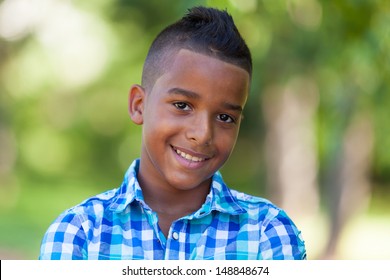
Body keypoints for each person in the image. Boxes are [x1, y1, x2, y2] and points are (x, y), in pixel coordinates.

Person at [39, 6, 306, 260]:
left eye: (225, 117)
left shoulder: (268, 233)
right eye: (182, 105)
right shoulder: (79, 234)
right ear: (138, 105)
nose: (202, 134)